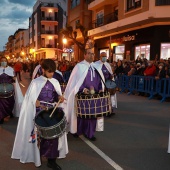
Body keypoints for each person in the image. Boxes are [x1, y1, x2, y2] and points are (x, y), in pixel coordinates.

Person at [11, 59, 68, 170]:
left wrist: (59, 98)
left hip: (52, 112)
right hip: (39, 114)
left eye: (53, 72)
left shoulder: (55, 82)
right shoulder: (36, 82)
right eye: (49, 71)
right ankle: (38, 156)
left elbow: (56, 95)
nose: (51, 74)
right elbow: (29, 100)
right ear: (43, 70)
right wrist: (35, 101)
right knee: (40, 137)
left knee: (53, 136)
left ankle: (52, 160)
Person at [64, 48, 105, 141]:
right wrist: (83, 89)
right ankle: (77, 130)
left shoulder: (96, 67)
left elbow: (99, 81)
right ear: (85, 55)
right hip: (82, 95)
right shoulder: (79, 67)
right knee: (81, 114)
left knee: (93, 115)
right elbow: (75, 82)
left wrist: (100, 89)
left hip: (94, 96)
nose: (91, 55)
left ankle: (90, 133)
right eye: (89, 53)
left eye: (93, 54)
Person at [0, 57, 23, 124]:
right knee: (1, 104)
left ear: (7, 61)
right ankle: (1, 117)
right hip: (0, 90)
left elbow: (13, 79)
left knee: (10, 102)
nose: (3, 62)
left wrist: (14, 78)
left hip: (10, 89)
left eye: (5, 61)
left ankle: (9, 112)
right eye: (2, 61)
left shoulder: (10, 69)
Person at [95, 52, 117, 116]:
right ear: (100, 57)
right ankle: (102, 110)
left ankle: (109, 110)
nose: (104, 57)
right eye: (103, 56)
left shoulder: (107, 65)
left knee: (108, 97)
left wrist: (112, 76)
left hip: (107, 84)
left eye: (105, 56)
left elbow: (110, 73)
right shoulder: (96, 64)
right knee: (101, 97)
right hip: (100, 84)